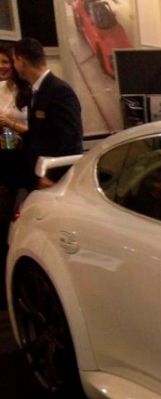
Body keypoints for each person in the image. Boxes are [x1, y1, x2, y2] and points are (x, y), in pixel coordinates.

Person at [12, 37, 82, 189]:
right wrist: (9, 139)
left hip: (52, 178)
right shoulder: (35, 90)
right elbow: (37, 134)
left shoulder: (60, 91)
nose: (14, 66)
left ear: (21, 61)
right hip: (37, 173)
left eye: (14, 61)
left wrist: (51, 176)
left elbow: (70, 139)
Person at [0, 44, 31, 310]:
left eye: (5, 62)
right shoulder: (0, 90)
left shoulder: (28, 91)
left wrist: (10, 124)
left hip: (26, 161)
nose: (2, 67)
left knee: (24, 221)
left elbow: (36, 130)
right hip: (5, 158)